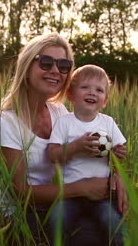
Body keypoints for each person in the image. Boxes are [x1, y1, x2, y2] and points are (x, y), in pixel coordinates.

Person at [0, 32, 128, 245]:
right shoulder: (5, 121)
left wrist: (117, 177)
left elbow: (103, 150)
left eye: (63, 65)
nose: (55, 70)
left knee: (105, 231)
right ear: (27, 67)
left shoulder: (60, 113)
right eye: (45, 62)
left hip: (58, 202)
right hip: (16, 216)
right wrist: (83, 188)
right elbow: (20, 193)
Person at [47, 64, 127, 245]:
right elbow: (52, 154)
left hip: (102, 196)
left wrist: (118, 153)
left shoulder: (108, 122)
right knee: (56, 219)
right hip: (69, 195)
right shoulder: (64, 122)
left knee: (114, 222)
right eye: (85, 87)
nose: (92, 93)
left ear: (105, 100)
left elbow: (119, 154)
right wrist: (77, 147)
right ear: (70, 95)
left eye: (99, 90)